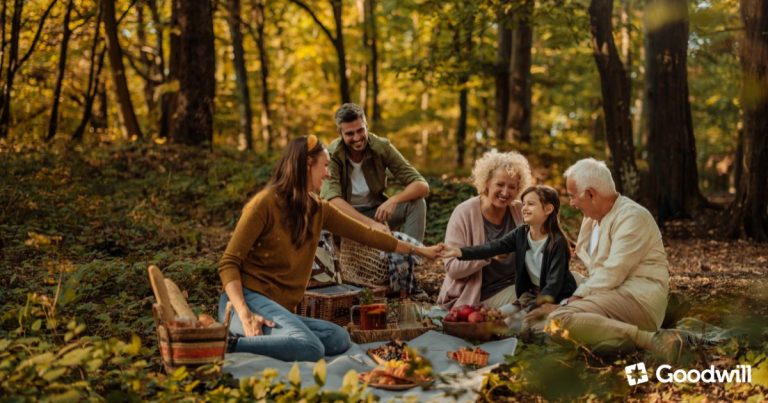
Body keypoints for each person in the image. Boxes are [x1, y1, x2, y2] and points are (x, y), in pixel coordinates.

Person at [217, 135, 441, 362]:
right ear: (307, 165)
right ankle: (229, 344)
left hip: (279, 310)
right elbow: (228, 264)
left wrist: (421, 251)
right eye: (324, 166)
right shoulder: (264, 204)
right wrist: (245, 314)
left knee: (338, 338)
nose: (328, 173)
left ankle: (274, 340)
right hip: (245, 301)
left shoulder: (318, 210)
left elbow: (368, 235)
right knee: (311, 348)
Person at [533, 158, 682, 361]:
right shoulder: (593, 219)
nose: (572, 203)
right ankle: (614, 343)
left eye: (573, 196)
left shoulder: (632, 216)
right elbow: (598, 268)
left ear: (591, 194)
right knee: (536, 323)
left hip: (638, 299)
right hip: (613, 295)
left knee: (557, 321)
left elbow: (614, 271)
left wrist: (570, 302)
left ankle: (651, 340)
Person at [441, 186, 577, 315]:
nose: (524, 208)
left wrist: (530, 310)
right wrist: (460, 252)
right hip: (531, 294)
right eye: (523, 204)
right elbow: (492, 247)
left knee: (522, 325)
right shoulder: (521, 234)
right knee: (500, 317)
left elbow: (553, 286)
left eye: (531, 204)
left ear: (547, 209)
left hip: (557, 297)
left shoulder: (556, 243)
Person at [437, 150, 533, 309]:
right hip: (477, 296)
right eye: (500, 184)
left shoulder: (519, 211)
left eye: (512, 187)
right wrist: (489, 255)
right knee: (537, 298)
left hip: (516, 286)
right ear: (487, 182)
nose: (505, 192)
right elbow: (453, 269)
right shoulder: (464, 213)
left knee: (570, 281)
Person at [320, 103, 429, 242]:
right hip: (344, 217)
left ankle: (410, 258)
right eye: (349, 133)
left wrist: (394, 200)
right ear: (340, 133)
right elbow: (333, 201)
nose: (357, 137)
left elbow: (421, 185)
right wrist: (371, 225)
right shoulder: (332, 154)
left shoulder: (381, 147)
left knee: (417, 203)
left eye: (361, 130)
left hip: (375, 212)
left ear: (366, 126)